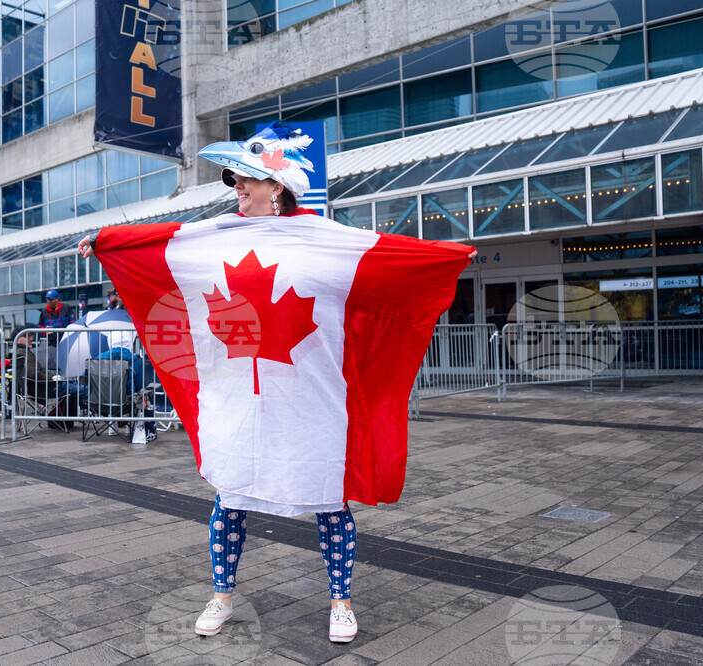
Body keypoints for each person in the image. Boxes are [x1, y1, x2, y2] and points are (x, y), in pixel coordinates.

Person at [78, 121, 477, 643]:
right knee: (231, 495)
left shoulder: (324, 238)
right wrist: (106, 242)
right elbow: (161, 241)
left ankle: (341, 602)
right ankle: (222, 595)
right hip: (239, 392)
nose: (236, 187)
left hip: (310, 391)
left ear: (278, 186)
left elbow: (383, 253)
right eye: (233, 179)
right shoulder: (216, 236)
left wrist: (446, 256)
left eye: (245, 178)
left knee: (329, 497)